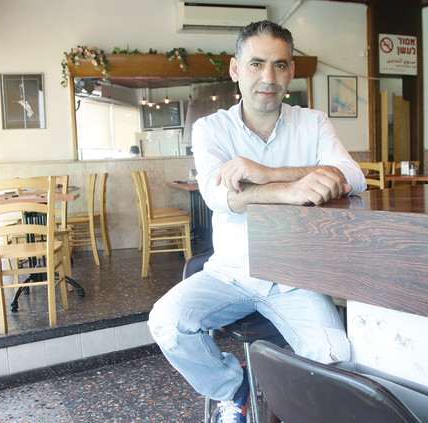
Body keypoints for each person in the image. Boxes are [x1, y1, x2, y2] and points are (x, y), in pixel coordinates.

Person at [148, 21, 366, 423]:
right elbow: (219, 196)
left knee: (339, 359)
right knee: (167, 322)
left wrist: (266, 174)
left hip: (296, 277)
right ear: (236, 69)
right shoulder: (212, 129)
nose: (269, 77)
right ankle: (234, 389)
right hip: (230, 273)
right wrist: (290, 191)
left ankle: (293, 404)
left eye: (279, 65)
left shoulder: (313, 123)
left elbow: (353, 175)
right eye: (256, 64)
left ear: (291, 71)